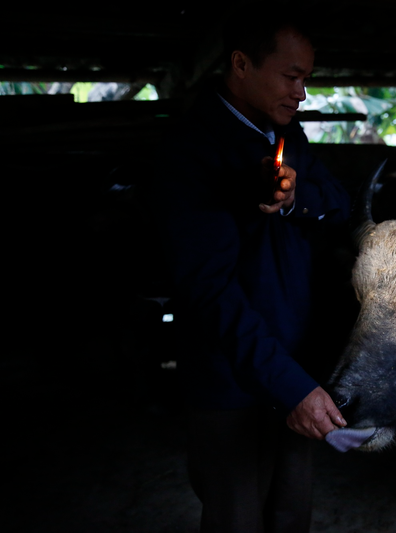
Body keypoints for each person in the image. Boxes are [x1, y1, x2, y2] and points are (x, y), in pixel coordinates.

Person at [148, 6, 349, 532]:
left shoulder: (286, 134)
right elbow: (209, 293)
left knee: (290, 514)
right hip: (232, 387)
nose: (301, 92)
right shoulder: (190, 152)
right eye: (291, 76)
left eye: (306, 78)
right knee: (237, 519)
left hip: (294, 371)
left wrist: (293, 197)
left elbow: (339, 201)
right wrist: (292, 387)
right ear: (241, 64)